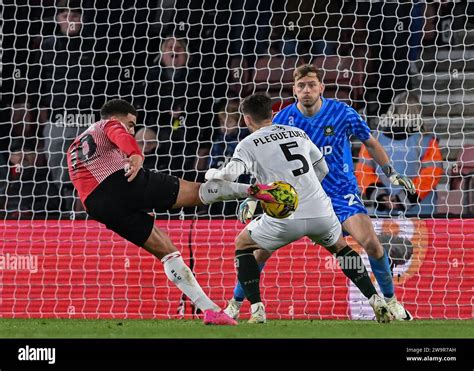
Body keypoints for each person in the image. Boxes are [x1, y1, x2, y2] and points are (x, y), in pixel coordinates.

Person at [226, 65, 416, 321]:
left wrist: (391, 172)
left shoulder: (342, 113)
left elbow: (370, 141)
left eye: (311, 85)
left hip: (340, 193)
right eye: (301, 86)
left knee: (371, 243)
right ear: (294, 90)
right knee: (259, 252)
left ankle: (391, 301)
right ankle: (235, 304)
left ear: (321, 88)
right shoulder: (282, 119)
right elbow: (265, 162)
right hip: (300, 196)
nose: (306, 90)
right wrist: (253, 197)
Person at [66, 99, 276, 326]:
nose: (132, 129)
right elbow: (119, 133)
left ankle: (210, 311)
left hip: (97, 206)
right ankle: (257, 191)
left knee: (167, 251)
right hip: (121, 181)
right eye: (131, 124)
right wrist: (135, 154)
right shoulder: (108, 124)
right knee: (198, 192)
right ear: (118, 117)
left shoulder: (74, 146)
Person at [356, 92, 443, 217]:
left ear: (393, 110)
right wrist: (404, 199)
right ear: (418, 114)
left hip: (384, 213)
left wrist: (380, 196)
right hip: (421, 213)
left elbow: (363, 171)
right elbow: (431, 174)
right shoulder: (427, 140)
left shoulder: (373, 139)